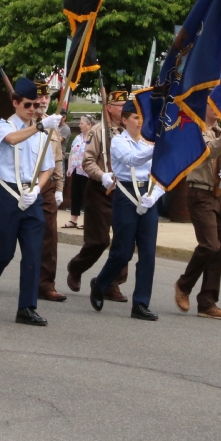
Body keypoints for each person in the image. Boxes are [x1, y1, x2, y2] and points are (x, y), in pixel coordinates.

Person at [0, 77, 59, 326]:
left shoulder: (43, 132)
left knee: (33, 253)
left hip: (32, 196)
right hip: (8, 194)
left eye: (37, 106)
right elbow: (12, 140)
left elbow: (47, 168)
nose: (33, 110)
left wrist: (37, 190)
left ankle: (27, 308)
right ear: (16, 103)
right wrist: (41, 127)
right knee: (3, 252)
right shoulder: (5, 127)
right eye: (28, 105)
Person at [90, 97, 161, 320]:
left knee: (148, 253)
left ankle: (141, 303)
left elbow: (162, 175)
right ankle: (100, 283)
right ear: (125, 120)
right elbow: (132, 160)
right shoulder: (119, 141)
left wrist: (155, 195)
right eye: (135, 117)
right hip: (126, 195)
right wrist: (158, 148)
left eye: (142, 117)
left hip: (148, 194)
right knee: (123, 251)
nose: (140, 122)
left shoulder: (150, 142)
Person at [173, 106, 221, 320]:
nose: (219, 109)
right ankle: (184, 285)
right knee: (210, 245)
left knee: (220, 251)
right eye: (214, 104)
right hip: (200, 192)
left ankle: (208, 302)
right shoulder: (193, 130)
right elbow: (209, 152)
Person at [69, 90, 128, 302]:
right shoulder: (98, 132)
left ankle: (110, 283)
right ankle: (76, 267)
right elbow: (88, 161)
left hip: (123, 191)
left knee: (123, 240)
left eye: (125, 105)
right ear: (109, 107)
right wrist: (102, 175)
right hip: (99, 190)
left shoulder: (129, 131)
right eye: (119, 105)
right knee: (99, 240)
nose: (123, 109)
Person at [35, 84, 68, 303]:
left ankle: (46, 284)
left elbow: (57, 159)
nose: (44, 100)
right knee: (7, 238)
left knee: (49, 237)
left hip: (46, 186)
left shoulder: (53, 125)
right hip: (21, 183)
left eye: (47, 96)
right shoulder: (15, 123)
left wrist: (59, 187)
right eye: (40, 96)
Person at [64, 115, 94, 228]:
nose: (79, 125)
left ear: (89, 125)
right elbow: (72, 153)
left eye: (82, 123)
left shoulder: (94, 138)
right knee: (75, 195)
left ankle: (88, 221)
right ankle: (73, 220)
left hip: (88, 172)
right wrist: (69, 168)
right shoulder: (77, 138)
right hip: (76, 170)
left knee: (87, 196)